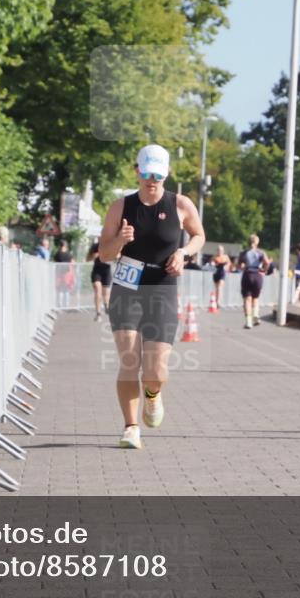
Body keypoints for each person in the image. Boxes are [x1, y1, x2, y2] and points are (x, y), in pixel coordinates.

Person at [97, 144, 205, 449]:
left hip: (162, 287)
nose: (151, 179)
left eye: (158, 173)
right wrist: (120, 239)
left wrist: (184, 253)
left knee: (155, 371)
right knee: (129, 360)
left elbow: (199, 235)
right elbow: (104, 254)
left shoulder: (180, 205)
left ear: (166, 173)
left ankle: (153, 394)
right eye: (146, 173)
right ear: (137, 172)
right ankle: (131, 427)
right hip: (127, 288)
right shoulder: (121, 208)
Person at [237, 234, 270, 329]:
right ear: (257, 242)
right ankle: (255, 314)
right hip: (257, 275)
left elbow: (239, 266)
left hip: (247, 275)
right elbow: (267, 262)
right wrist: (264, 269)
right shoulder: (261, 253)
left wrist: (243, 266)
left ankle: (248, 322)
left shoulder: (244, 253)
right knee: (255, 298)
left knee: (247, 299)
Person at [87, 237, 112, 322]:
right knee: (98, 290)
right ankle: (98, 313)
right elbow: (87, 259)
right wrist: (94, 256)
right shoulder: (95, 246)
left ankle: (106, 305)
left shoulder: (110, 246)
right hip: (97, 271)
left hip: (106, 271)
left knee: (106, 294)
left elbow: (118, 256)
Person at [54, 240, 75, 308]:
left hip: (59, 274)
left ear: (60, 246)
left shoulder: (57, 254)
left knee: (59, 290)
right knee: (66, 290)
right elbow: (73, 263)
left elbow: (54, 262)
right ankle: (66, 305)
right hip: (67, 274)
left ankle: (59, 305)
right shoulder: (69, 254)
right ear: (65, 246)